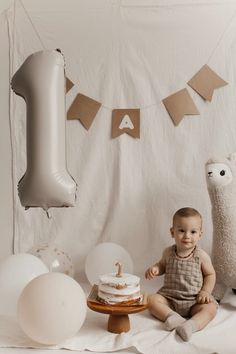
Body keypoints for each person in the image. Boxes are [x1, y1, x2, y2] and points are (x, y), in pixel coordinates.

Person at [145, 207, 217, 341]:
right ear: (172, 232)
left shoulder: (201, 256)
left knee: (211, 308)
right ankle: (172, 317)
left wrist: (206, 292)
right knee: (150, 300)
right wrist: (156, 269)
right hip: (170, 299)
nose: (187, 236)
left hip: (194, 301)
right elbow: (162, 265)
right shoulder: (168, 252)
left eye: (193, 232)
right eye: (182, 230)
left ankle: (191, 325)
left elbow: (210, 275)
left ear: (200, 234)